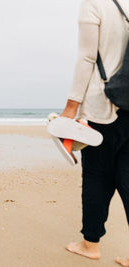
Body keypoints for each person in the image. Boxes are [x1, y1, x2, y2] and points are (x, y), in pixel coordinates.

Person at [61, 0, 129, 265]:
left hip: (104, 107)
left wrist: (71, 106)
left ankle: (90, 244)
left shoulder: (94, 3)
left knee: (97, 178)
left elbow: (87, 56)